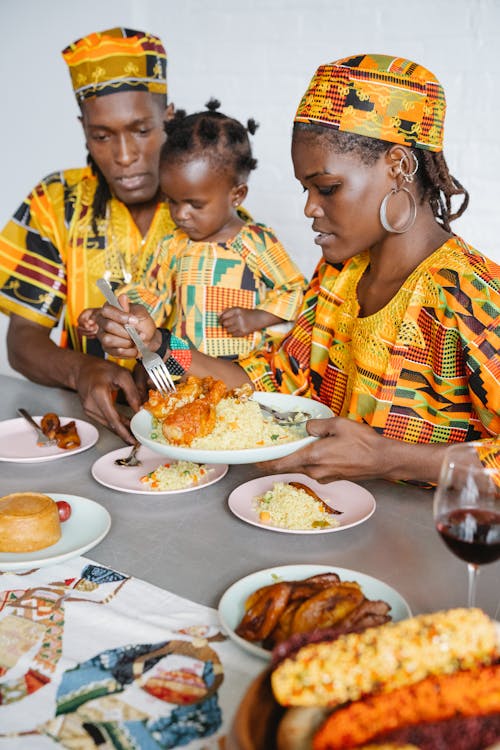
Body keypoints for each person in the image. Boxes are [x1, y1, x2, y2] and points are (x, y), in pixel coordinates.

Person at [94, 53, 500, 485]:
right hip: (323, 520)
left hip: (428, 541)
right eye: (306, 188)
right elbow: (269, 383)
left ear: (398, 166)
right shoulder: (338, 277)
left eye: (327, 188)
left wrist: (388, 459)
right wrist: (157, 343)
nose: (309, 207)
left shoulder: (473, 295)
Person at [0, 27, 175, 443]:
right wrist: (81, 369)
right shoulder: (55, 203)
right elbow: (22, 342)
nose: (125, 156)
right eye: (102, 136)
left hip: (186, 424)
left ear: (167, 119)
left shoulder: (207, 206)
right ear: (83, 129)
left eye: (141, 130)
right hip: (88, 424)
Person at [79, 99, 306, 359]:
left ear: (237, 195)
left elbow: (296, 290)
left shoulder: (255, 242)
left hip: (245, 369)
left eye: (195, 205)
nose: (180, 214)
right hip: (184, 366)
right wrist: (116, 315)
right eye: (172, 201)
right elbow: (151, 292)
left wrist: (258, 317)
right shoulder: (174, 244)